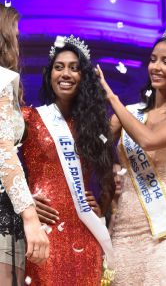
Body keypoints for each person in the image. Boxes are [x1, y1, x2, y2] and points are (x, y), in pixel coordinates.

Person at [97, 18, 166, 285]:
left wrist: (112, 99)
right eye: (153, 59)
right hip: (124, 234)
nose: (156, 67)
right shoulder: (131, 113)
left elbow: (149, 140)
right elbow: (92, 147)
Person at [21, 35, 115, 285]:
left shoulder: (93, 126)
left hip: (85, 230)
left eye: (74, 68)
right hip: (43, 229)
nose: (66, 74)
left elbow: (110, 176)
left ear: (83, 77)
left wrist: (101, 205)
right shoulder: (29, 118)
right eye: (59, 67)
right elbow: (3, 161)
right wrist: (23, 201)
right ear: (49, 74)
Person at [0, 3, 49, 285]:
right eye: (16, 35)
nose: (18, 43)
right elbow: (3, 150)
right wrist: (30, 217)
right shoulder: (2, 79)